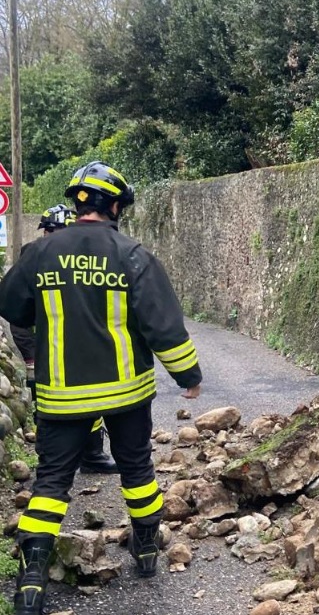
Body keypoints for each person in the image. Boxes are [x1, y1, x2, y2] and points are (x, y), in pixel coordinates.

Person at [0, 162, 202, 615]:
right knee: (137, 470)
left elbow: (12, 304)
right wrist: (188, 376)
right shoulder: (131, 254)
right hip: (126, 393)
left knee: (51, 480)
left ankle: (32, 578)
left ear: (76, 204)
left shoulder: (40, 253)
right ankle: (147, 550)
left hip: (62, 395)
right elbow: (163, 326)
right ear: (114, 206)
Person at [9, 205, 119, 474]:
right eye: (49, 230)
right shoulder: (33, 256)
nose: (52, 235)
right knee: (47, 409)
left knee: (92, 403)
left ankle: (91, 456)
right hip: (45, 352)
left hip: (79, 348)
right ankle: (49, 465)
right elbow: (17, 313)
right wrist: (31, 353)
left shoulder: (83, 258)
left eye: (57, 230)